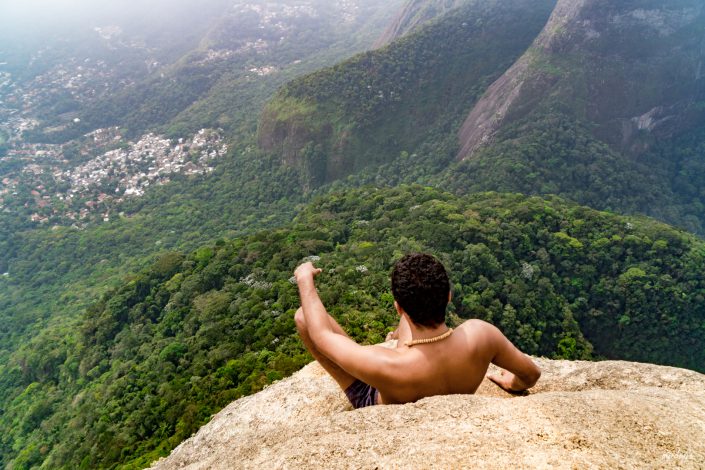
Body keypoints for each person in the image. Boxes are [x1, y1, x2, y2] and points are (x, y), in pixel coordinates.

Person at [294, 253, 541, 409]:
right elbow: (531, 374)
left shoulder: (384, 363)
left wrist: (305, 279)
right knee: (404, 329)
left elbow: (320, 335)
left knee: (303, 315)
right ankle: (400, 336)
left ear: (398, 307)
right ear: (448, 297)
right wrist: (512, 383)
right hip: (429, 374)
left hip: (387, 391)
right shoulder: (481, 334)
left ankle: (400, 336)